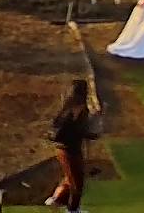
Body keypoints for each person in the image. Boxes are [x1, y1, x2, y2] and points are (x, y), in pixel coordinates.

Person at [45, 79, 97, 213]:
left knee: (73, 178)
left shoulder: (78, 109)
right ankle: (72, 210)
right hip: (66, 149)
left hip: (73, 148)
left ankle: (57, 199)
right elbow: (65, 132)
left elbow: (79, 131)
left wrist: (90, 135)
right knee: (76, 183)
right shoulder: (72, 110)